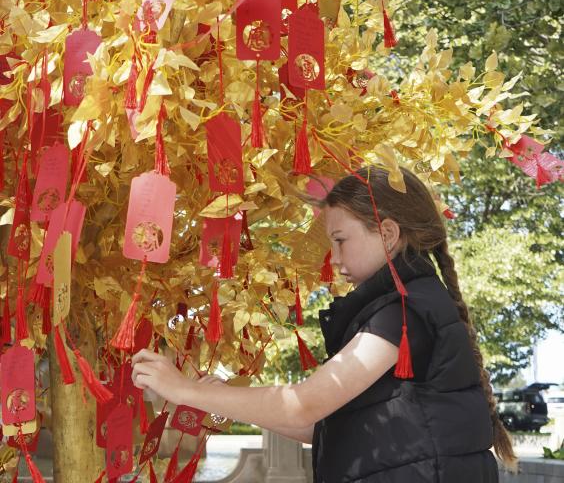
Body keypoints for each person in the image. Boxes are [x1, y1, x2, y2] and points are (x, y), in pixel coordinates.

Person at [132, 165, 517, 482]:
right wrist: (222, 403)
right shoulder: (403, 305)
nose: (332, 258)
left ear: (386, 233)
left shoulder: (405, 311)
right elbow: (328, 428)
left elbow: (305, 405)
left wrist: (184, 390)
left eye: (340, 240)